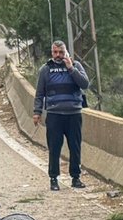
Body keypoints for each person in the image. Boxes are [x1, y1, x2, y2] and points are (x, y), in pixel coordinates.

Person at [32, 40, 90, 191]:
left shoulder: (76, 66)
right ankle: (53, 179)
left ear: (66, 52)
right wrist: (37, 112)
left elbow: (85, 84)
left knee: (75, 147)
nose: (58, 55)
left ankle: (76, 178)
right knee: (54, 148)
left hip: (74, 114)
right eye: (55, 52)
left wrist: (70, 68)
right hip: (54, 115)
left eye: (61, 52)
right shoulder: (46, 69)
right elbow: (39, 94)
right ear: (52, 53)